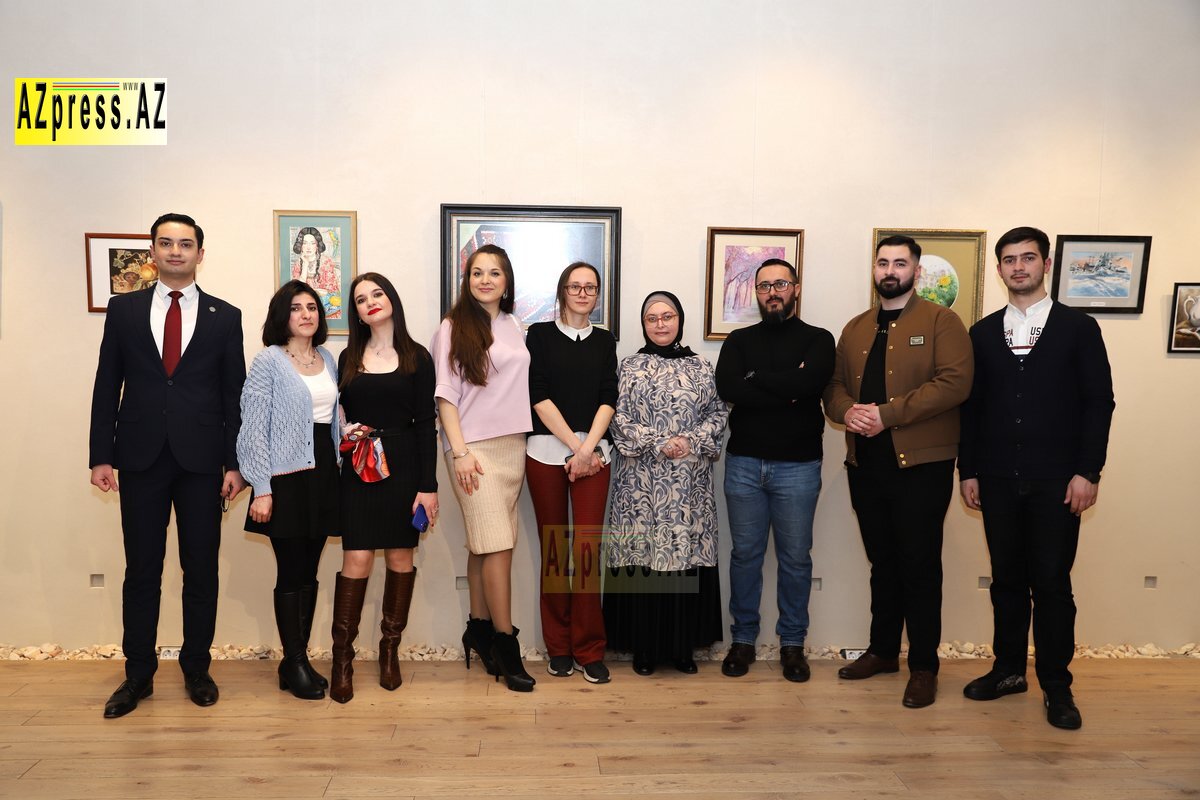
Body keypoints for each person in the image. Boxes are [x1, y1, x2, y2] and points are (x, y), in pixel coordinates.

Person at [89, 213, 246, 718]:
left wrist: (235, 463)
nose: (176, 251)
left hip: (203, 462)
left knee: (200, 570)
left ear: (200, 253)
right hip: (140, 457)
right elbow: (106, 383)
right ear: (152, 252)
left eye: (186, 243)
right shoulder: (124, 309)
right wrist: (101, 454)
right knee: (142, 570)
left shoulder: (226, 316)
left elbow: (233, 395)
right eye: (166, 243)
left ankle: (197, 668)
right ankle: (138, 675)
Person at [958, 227, 1114, 730]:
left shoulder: (1078, 328)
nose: (1018, 267)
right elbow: (971, 409)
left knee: (1051, 583)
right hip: (997, 477)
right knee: (1006, 580)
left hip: (1057, 481)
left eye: (1027, 258)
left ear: (1045, 264)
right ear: (999, 269)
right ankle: (1008, 671)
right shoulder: (983, 333)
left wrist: (1088, 471)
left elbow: (1099, 403)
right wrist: (968, 470)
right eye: (1009, 260)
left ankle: (1056, 685)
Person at [823, 235, 972, 709]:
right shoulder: (855, 327)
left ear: (916, 271)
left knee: (919, 566)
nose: (890, 270)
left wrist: (886, 415)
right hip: (866, 464)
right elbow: (833, 386)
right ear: (874, 269)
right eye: (883, 262)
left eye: (900, 263)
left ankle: (924, 667)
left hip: (920, 466)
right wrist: (847, 412)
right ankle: (884, 651)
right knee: (883, 563)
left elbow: (955, 383)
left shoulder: (942, 321)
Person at [715, 259, 834, 682]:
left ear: (795, 289)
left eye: (780, 283)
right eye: (764, 286)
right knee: (744, 556)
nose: (772, 292)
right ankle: (743, 640)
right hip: (744, 464)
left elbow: (810, 385)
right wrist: (786, 388)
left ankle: (792, 645)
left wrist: (756, 379)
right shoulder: (739, 340)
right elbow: (729, 387)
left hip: (798, 467)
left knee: (795, 559)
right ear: (757, 293)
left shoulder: (818, 339)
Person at [604, 291, 729, 675]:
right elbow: (615, 415)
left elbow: (718, 413)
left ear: (680, 320)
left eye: (668, 316)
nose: (660, 324)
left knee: (683, 558)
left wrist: (689, 441)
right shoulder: (628, 366)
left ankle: (681, 648)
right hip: (640, 485)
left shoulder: (702, 367)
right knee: (643, 559)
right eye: (652, 318)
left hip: (689, 485)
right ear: (644, 324)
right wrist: (658, 441)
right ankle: (644, 649)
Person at [329, 272, 440, 703]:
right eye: (361, 299)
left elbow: (426, 424)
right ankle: (342, 659)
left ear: (391, 298)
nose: (370, 302)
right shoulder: (347, 357)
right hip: (359, 469)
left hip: (405, 469)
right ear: (356, 313)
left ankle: (389, 650)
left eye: (377, 294)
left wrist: (428, 487)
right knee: (356, 559)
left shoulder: (417, 356)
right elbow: (337, 414)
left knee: (399, 557)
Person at [432, 244, 535, 692]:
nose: (486, 280)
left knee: (485, 544)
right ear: (467, 279)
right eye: (477, 272)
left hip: (513, 446)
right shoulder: (452, 327)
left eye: (495, 272)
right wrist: (460, 453)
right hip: (471, 449)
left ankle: (477, 628)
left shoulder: (515, 325)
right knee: (499, 545)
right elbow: (445, 396)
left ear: (506, 281)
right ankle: (506, 643)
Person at [236, 281, 338, 701]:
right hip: (285, 478)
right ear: (283, 315)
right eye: (296, 308)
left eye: (312, 307)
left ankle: (296, 660)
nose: (306, 314)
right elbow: (252, 428)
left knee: (310, 570)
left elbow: (332, 419)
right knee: (291, 570)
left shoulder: (328, 358)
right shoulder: (269, 361)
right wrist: (262, 487)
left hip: (324, 473)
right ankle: (294, 661)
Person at [525, 262, 617, 684]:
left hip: (595, 456)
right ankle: (559, 648)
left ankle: (589, 649)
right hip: (546, 453)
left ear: (597, 295)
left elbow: (608, 397)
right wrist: (577, 448)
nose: (583, 293)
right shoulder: (540, 335)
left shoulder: (604, 340)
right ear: (562, 291)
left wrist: (588, 450)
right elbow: (538, 395)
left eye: (590, 287)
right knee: (555, 552)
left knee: (586, 553)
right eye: (575, 286)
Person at [290, 227, 341, 318]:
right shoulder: (298, 264)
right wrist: (305, 265)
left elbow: (330, 290)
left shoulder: (326, 262)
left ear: (317, 245)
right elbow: (296, 290)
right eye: (305, 243)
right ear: (300, 245)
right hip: (304, 307)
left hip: (325, 305)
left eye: (312, 243)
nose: (308, 247)